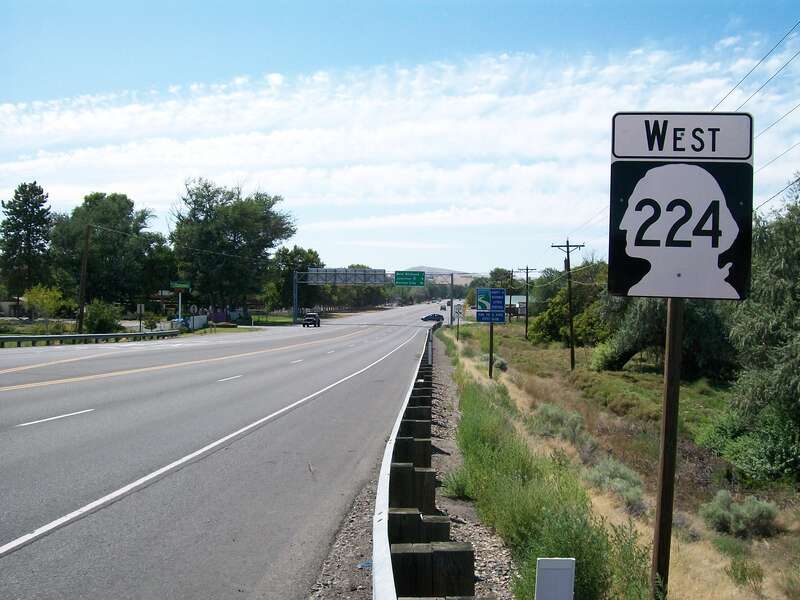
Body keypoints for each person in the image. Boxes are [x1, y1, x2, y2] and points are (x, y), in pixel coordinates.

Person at [619, 163, 740, 299]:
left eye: (639, 209)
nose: (623, 225)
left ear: (676, 213)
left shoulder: (719, 290)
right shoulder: (643, 287)